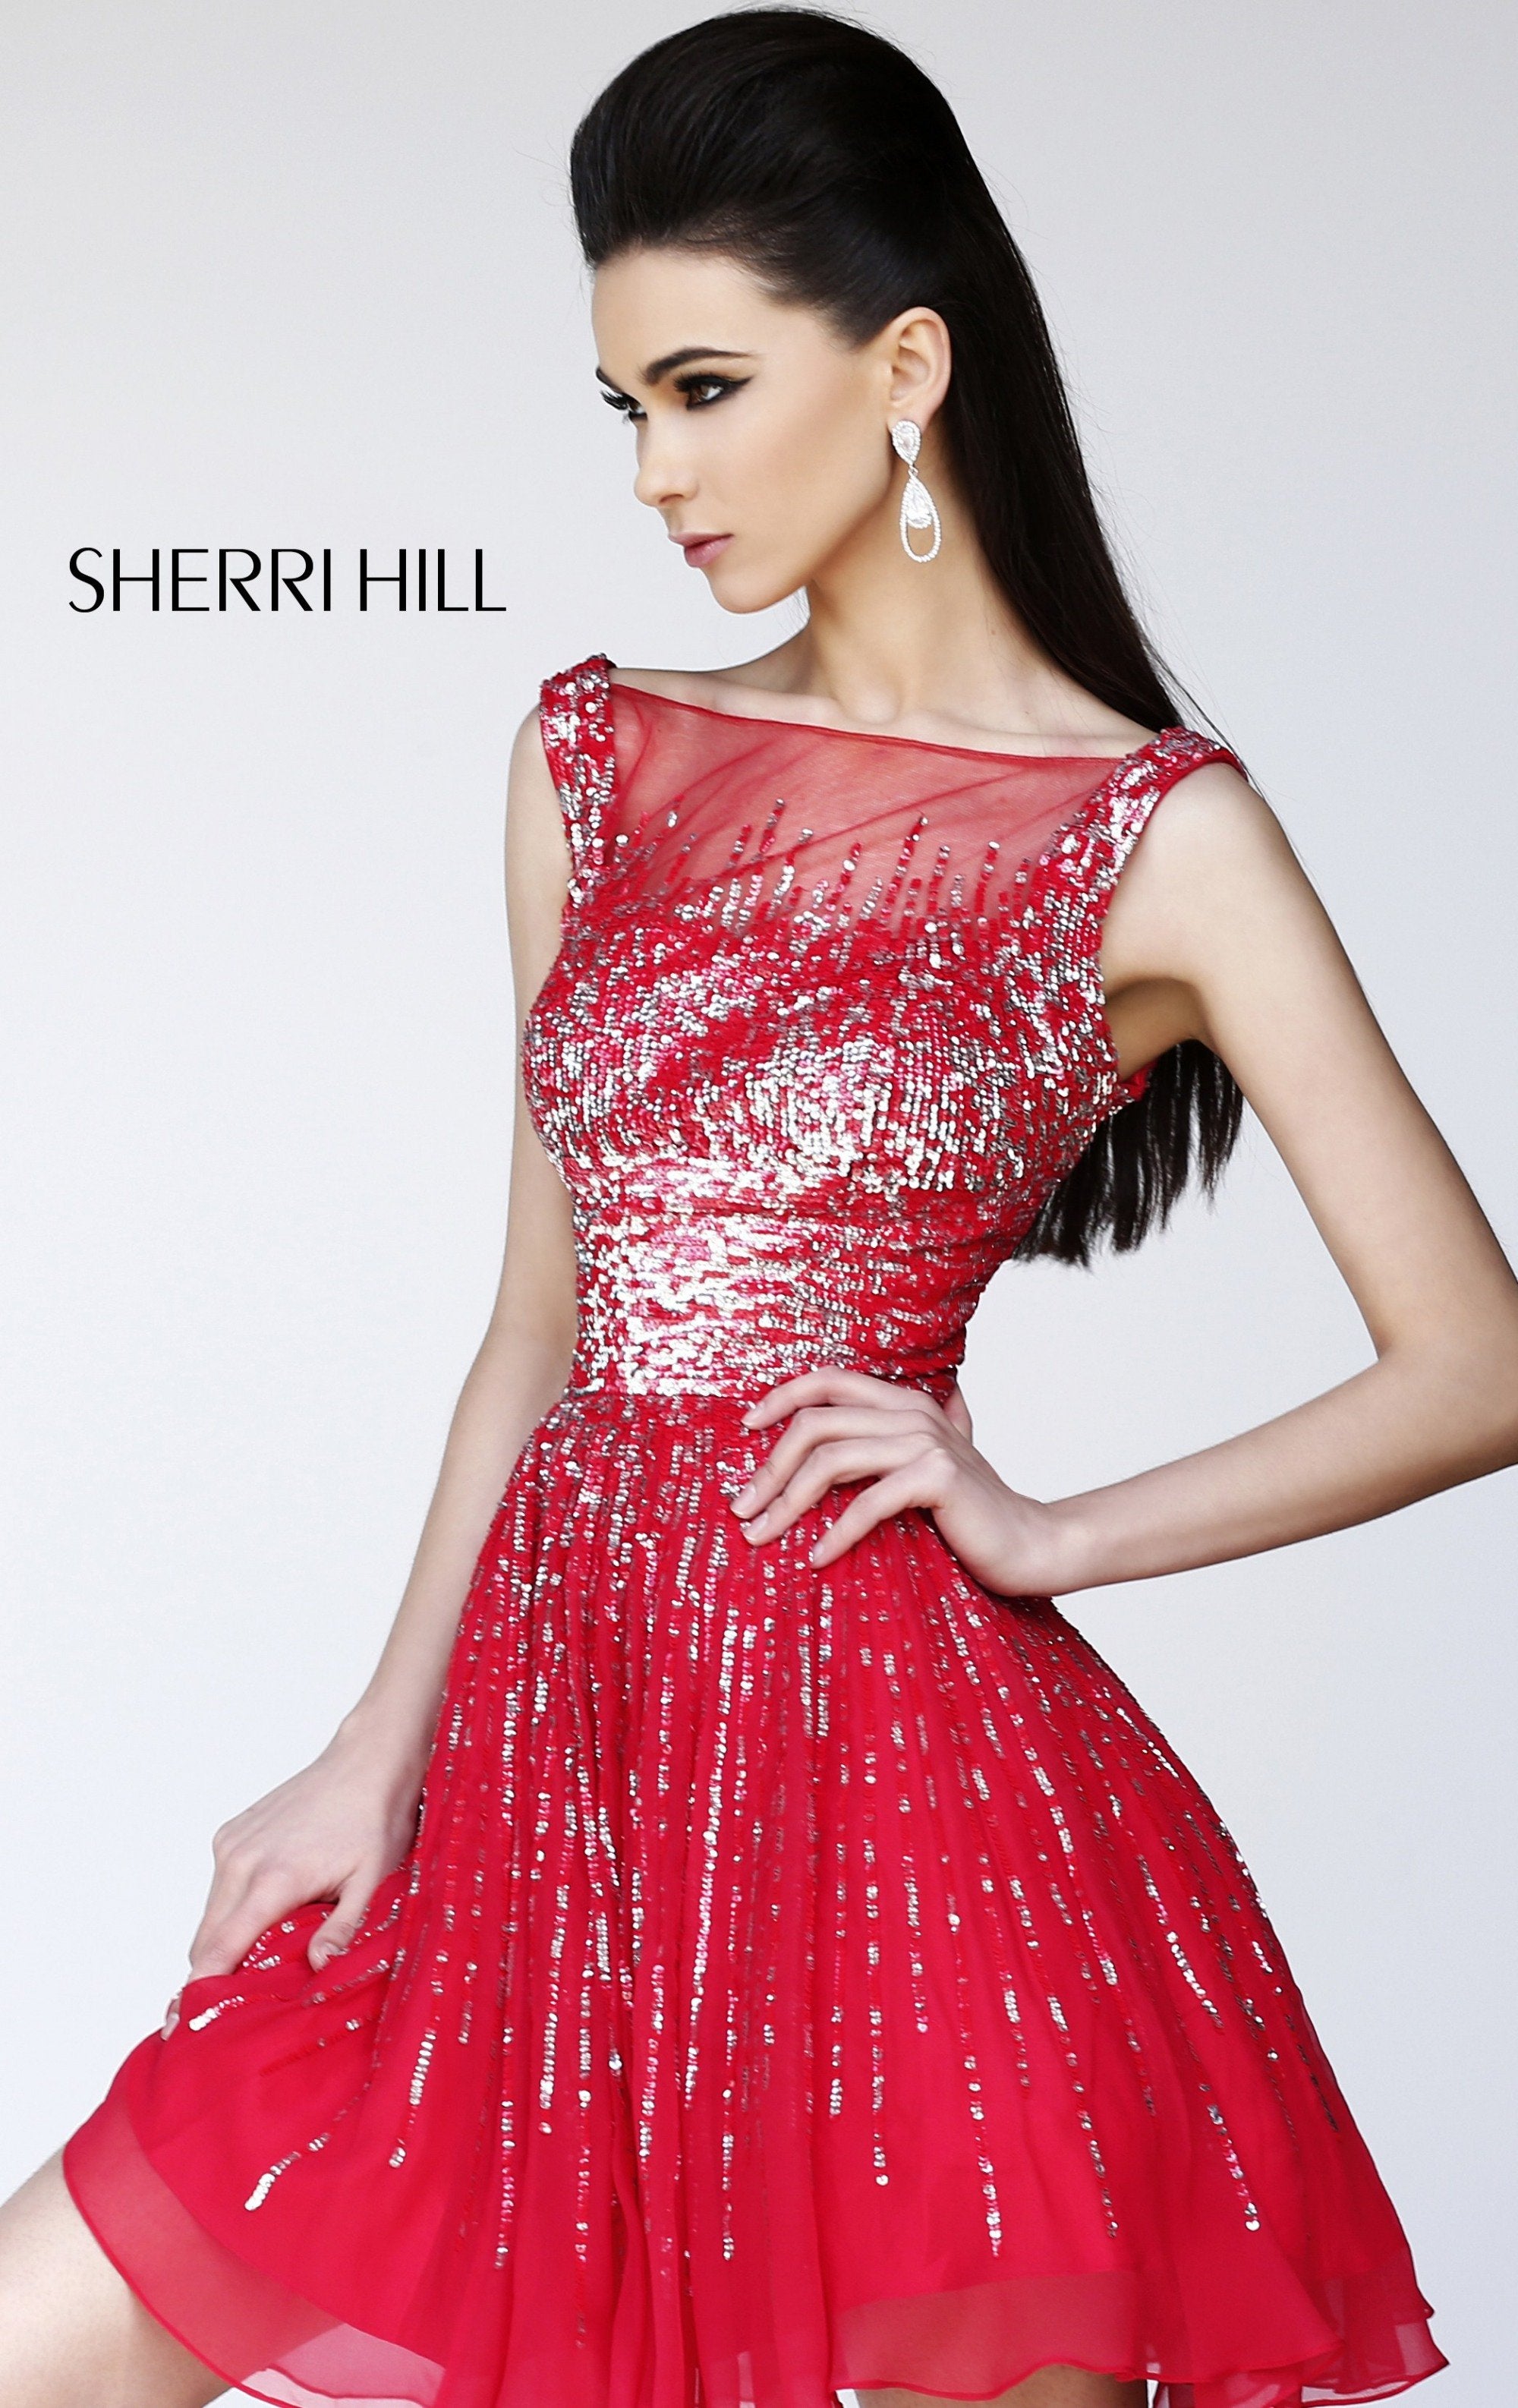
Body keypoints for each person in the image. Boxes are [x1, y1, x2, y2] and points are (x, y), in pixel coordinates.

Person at [0, 9, 1506, 2405]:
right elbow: (540, 1326)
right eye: (627, 405)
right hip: (556, 1787)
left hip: (909, 1832)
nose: (654, 472)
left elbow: (1478, 1361)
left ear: (905, 367)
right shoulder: (592, 757)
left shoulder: (1160, 834)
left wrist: (1053, 1529)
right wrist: (373, 1743)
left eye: (704, 389)